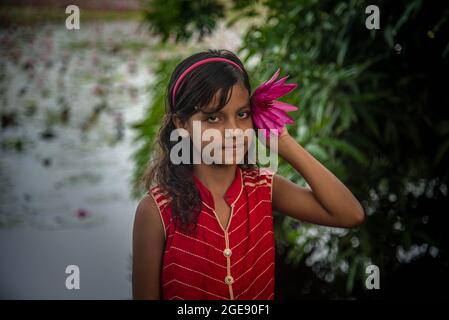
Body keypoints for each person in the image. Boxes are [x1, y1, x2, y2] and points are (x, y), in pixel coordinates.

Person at [132, 49, 365, 300]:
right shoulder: (157, 210)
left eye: (242, 114)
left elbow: (349, 214)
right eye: (213, 118)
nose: (233, 130)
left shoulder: (264, 188)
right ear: (182, 125)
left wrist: (283, 141)